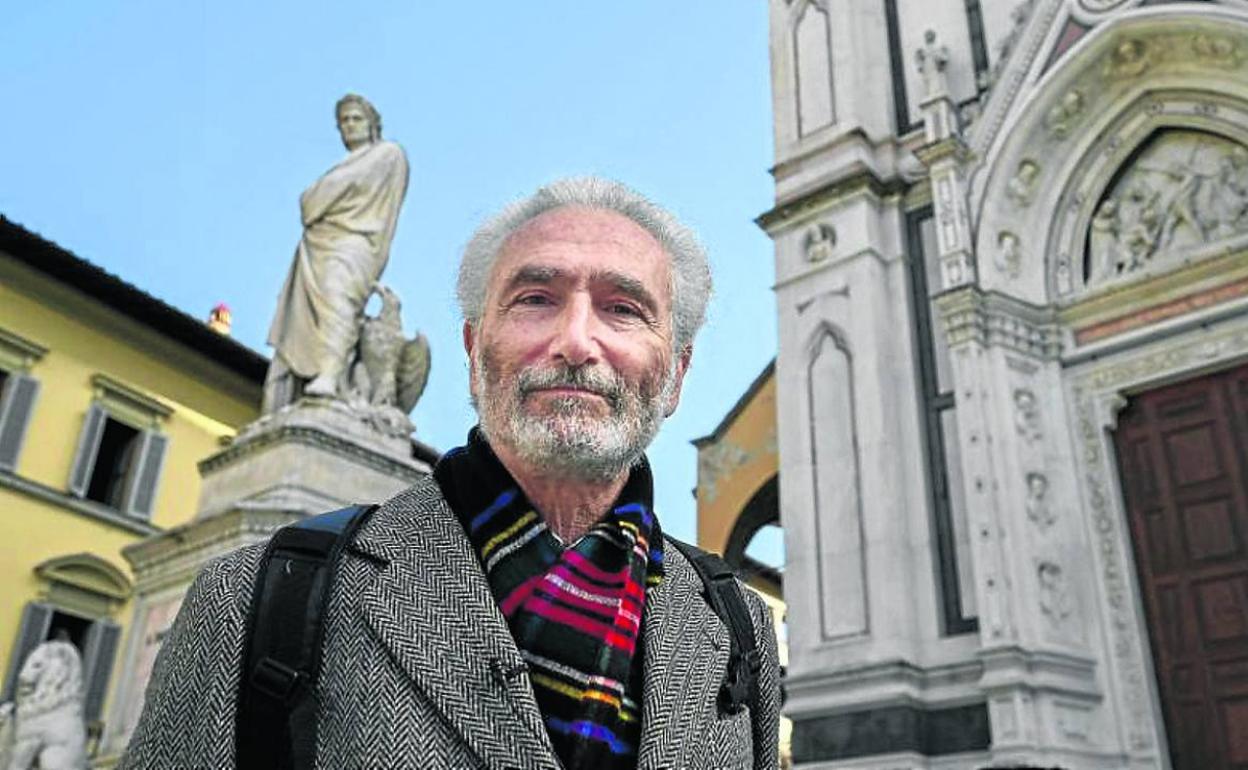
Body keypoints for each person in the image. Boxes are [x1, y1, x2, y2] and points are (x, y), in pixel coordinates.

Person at [120, 177, 781, 769]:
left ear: (676, 375)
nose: (577, 341)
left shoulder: (740, 629)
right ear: (473, 350)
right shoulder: (255, 600)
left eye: (623, 309)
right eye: (535, 298)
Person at [263, 94, 410, 412]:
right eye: (343, 121)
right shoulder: (347, 163)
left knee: (338, 300)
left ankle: (329, 376)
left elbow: (315, 199)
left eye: (356, 119)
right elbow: (310, 204)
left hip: (357, 244)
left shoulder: (388, 154)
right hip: (320, 245)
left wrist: (318, 195)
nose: (349, 126)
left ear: (372, 124)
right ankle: (324, 376)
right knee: (322, 310)